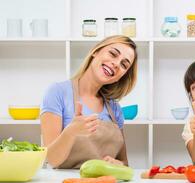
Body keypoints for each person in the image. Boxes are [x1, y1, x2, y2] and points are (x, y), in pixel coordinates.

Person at [40, 35, 137, 169]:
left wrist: (118, 164)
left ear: (121, 76)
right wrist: (71, 131)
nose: (116, 64)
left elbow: (124, 164)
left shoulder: (114, 109)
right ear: (95, 51)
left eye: (123, 65)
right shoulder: (57, 92)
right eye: (113, 54)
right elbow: (51, 160)